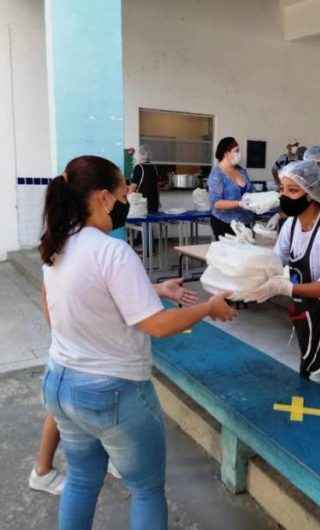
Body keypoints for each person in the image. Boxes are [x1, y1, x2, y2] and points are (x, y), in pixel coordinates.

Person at [38, 155, 236, 530]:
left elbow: (58, 310)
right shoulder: (112, 251)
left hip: (60, 383)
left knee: (81, 479)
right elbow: (157, 325)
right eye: (123, 192)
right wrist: (209, 307)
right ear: (103, 198)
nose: (127, 198)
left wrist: (153, 288)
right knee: (145, 490)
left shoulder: (56, 246)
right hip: (112, 391)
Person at [29, 277, 198, 496]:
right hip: (82, 350)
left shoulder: (67, 252)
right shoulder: (81, 251)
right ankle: (42, 470)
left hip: (75, 347)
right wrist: (208, 308)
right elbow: (152, 321)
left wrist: (157, 289)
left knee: (71, 405)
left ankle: (54, 468)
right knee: (77, 406)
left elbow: (109, 291)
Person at [240, 160, 320, 409]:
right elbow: (275, 263)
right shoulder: (290, 225)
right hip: (309, 314)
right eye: (282, 189)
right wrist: (246, 262)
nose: (284, 196)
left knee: (318, 380)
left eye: (292, 190)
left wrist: (286, 288)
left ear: (312, 194)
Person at [208, 137, 255, 240]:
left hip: (245, 222)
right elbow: (216, 203)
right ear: (226, 153)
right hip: (224, 223)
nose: (240, 154)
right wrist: (239, 203)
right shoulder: (217, 174)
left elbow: (251, 191)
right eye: (236, 151)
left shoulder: (241, 171)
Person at [129, 145, 160, 214]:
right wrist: (159, 201)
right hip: (154, 203)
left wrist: (128, 199)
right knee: (150, 222)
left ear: (141, 155)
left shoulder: (138, 167)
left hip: (141, 204)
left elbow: (133, 186)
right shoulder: (154, 167)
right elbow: (157, 187)